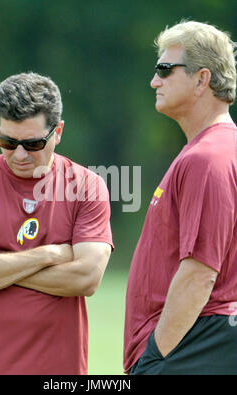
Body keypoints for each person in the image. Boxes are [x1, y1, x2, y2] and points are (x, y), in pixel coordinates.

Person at [0, 72, 113, 375]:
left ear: (57, 131)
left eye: (33, 144)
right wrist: (50, 255)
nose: (19, 155)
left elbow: (86, 278)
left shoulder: (88, 186)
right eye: (7, 141)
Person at [124, 20, 237, 375]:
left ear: (202, 79)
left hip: (193, 345)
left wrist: (157, 357)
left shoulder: (208, 156)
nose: (154, 81)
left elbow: (200, 272)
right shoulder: (218, 149)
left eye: (164, 69)